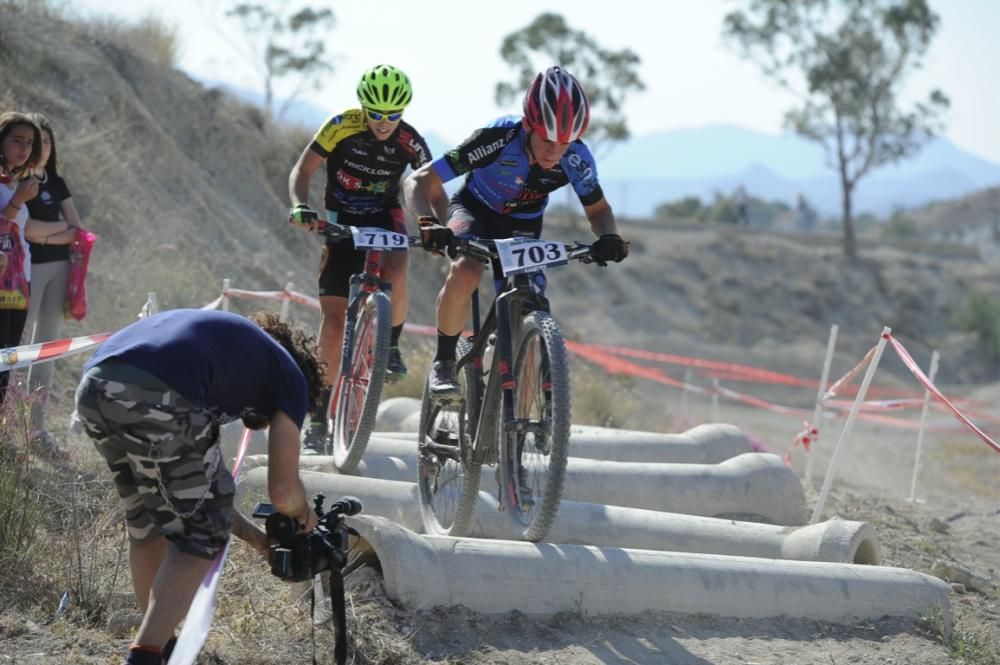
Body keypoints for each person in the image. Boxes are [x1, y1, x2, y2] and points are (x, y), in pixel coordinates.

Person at [74, 309, 325, 665]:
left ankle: (161, 648)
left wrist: (258, 541)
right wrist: (303, 514)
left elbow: (204, 499)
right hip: (157, 390)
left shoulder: (227, 355)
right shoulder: (290, 376)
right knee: (199, 537)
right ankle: (144, 658)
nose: (260, 424)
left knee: (147, 522)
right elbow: (283, 491)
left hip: (95, 386)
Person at [402, 66, 629, 397]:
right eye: (546, 140)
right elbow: (420, 180)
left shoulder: (577, 157)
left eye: (564, 143)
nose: (554, 151)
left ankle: (525, 411)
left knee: (530, 304)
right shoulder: (498, 138)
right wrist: (427, 221)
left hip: (523, 225)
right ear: (528, 126)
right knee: (466, 271)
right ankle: (444, 362)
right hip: (474, 211)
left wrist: (609, 236)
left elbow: (599, 211)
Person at [287, 64, 433, 451]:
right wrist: (300, 205)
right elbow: (303, 169)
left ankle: (392, 344)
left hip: (385, 216)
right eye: (377, 114)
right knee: (333, 324)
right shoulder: (340, 125)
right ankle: (318, 418)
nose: (385, 123)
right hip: (342, 218)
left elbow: (430, 184)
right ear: (364, 106)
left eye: (393, 115)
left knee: (400, 262)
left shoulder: (410, 140)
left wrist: (440, 224)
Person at [23, 113, 83, 451]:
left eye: (47, 142)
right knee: (15, 347)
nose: (41, 148)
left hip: (58, 271)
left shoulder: (56, 181)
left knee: (47, 348)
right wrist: (55, 233)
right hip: (26, 271)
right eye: (35, 141)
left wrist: (44, 235)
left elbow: (78, 230)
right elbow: (26, 230)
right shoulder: (20, 180)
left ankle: (36, 428)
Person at [0, 111, 41, 408]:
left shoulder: (16, 182)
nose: (23, 148)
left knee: (7, 358)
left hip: (18, 280)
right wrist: (17, 202)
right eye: (16, 140)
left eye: (28, 142)